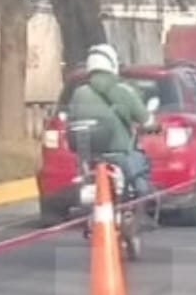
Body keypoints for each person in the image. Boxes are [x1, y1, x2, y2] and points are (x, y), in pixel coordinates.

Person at [65, 42, 153, 203]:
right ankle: (142, 207)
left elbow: (70, 119)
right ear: (112, 64)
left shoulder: (78, 93)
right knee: (142, 165)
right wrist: (153, 125)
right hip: (119, 156)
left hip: (87, 159)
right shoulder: (122, 90)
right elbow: (146, 119)